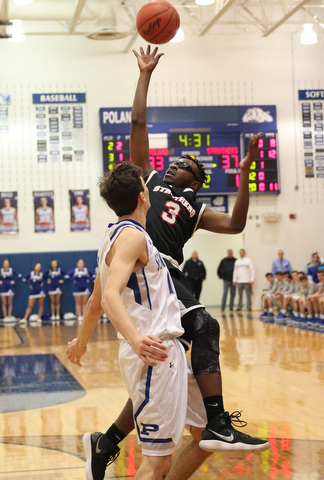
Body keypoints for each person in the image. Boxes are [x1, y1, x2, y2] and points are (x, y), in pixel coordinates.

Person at [67, 46, 268, 480]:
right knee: (199, 333)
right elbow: (139, 123)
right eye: (173, 161)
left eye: (185, 165)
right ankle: (215, 420)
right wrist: (144, 75)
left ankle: (110, 441)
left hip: (165, 275)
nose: (175, 163)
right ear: (143, 191)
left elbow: (235, 223)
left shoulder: (195, 208)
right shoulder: (147, 186)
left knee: (171, 365)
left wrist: (247, 173)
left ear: (195, 182)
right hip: (153, 275)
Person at [67, 162, 207, 480]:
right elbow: (109, 298)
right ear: (144, 194)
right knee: (157, 463)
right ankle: (104, 444)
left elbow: (92, 305)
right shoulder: (132, 238)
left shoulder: (113, 239)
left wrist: (81, 342)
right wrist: (136, 339)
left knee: (204, 433)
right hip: (152, 352)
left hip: (161, 353)